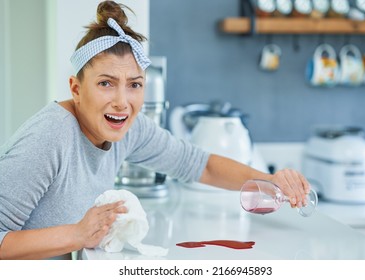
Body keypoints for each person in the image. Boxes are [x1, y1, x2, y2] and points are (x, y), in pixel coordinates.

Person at [0, 0, 310, 260]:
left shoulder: (127, 128)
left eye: (134, 85)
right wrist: (77, 234)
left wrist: (269, 181)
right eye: (106, 83)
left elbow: (200, 165)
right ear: (76, 89)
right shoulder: (51, 135)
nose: (122, 102)